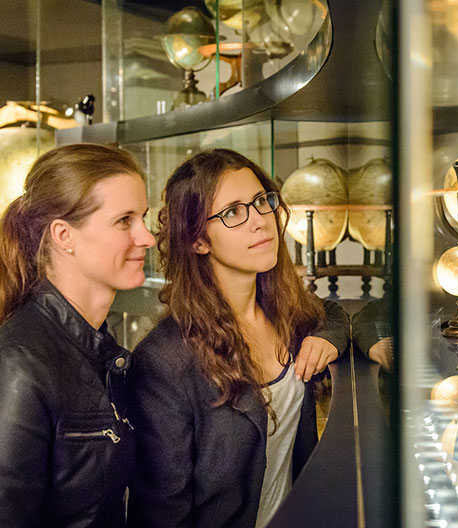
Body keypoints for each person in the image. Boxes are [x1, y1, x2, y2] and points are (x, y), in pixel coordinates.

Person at [127, 149, 350, 528]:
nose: (260, 222)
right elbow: (162, 515)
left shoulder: (286, 313)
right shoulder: (164, 362)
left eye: (262, 202)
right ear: (199, 241)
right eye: (232, 212)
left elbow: (334, 314)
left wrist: (329, 337)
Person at [0, 144, 155, 528]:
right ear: (63, 235)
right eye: (125, 220)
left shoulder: (93, 350)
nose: (147, 237)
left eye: (144, 217)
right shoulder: (14, 371)